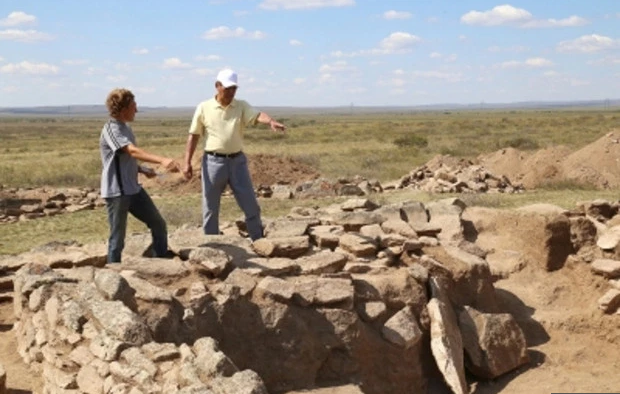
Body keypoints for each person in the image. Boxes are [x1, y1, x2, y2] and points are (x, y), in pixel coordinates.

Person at [182, 68, 286, 241]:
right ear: (217, 86)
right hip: (213, 163)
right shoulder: (204, 107)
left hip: (237, 162)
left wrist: (271, 122)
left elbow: (258, 115)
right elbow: (193, 136)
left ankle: (258, 241)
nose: (231, 92)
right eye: (227, 88)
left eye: (234, 88)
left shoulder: (241, 105)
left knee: (250, 204)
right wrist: (187, 162)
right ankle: (213, 244)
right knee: (210, 207)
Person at [99, 88, 181, 263]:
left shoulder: (125, 128)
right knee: (117, 237)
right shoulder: (111, 129)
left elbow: (124, 158)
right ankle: (113, 271)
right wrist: (162, 160)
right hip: (117, 192)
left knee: (158, 223)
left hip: (133, 189)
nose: (136, 110)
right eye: (133, 106)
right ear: (123, 109)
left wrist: (142, 169)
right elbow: (131, 151)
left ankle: (160, 260)